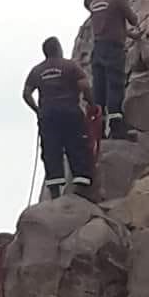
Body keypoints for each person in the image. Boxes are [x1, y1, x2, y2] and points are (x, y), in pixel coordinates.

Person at [23, 38, 95, 200]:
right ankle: (81, 182)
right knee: (76, 143)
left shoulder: (37, 70)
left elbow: (26, 93)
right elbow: (84, 85)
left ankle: (54, 187)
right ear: (58, 49)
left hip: (48, 115)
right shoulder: (70, 66)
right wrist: (91, 104)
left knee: (51, 149)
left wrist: (37, 110)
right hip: (69, 111)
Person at [88, 0, 143, 140]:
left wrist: (129, 35)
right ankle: (116, 127)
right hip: (113, 49)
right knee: (115, 85)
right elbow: (133, 19)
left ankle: (98, 129)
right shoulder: (117, 1)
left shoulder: (94, 4)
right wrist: (137, 30)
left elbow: (109, 24)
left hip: (98, 49)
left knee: (99, 89)